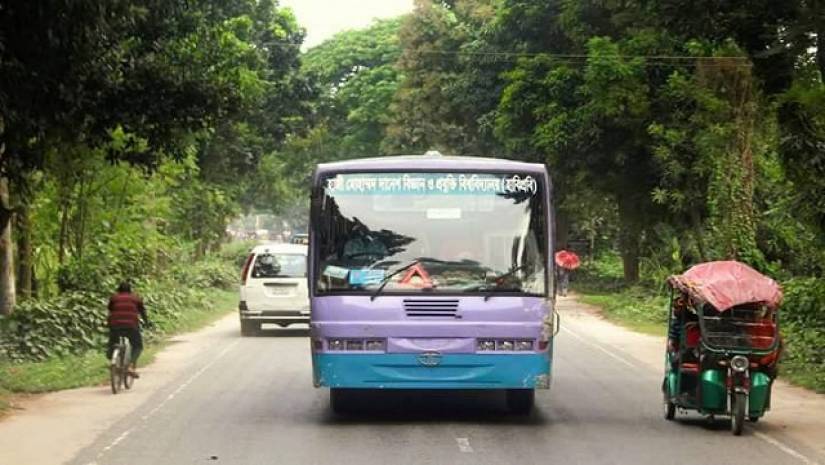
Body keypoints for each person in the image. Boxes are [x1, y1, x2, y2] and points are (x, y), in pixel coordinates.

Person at [107, 281, 150, 378]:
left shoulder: (114, 298)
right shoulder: (136, 298)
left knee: (112, 343)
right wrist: (147, 322)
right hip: (131, 326)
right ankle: (130, 365)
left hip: (115, 326)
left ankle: (112, 360)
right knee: (138, 346)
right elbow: (142, 311)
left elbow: (110, 310)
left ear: (119, 289)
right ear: (130, 290)